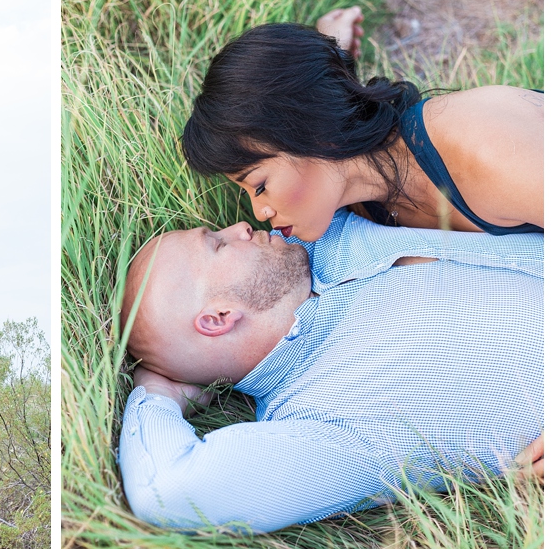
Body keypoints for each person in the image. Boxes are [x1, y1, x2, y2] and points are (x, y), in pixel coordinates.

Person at [118, 210, 542, 532]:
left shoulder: (321, 227)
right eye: (218, 244)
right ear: (218, 317)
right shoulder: (322, 424)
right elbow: (166, 493)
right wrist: (157, 395)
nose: (240, 227)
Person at [181, 7, 543, 242]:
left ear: (317, 134)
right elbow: (306, 95)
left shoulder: (483, 145)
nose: (260, 213)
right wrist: (332, 45)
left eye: (259, 186)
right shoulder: (351, 192)